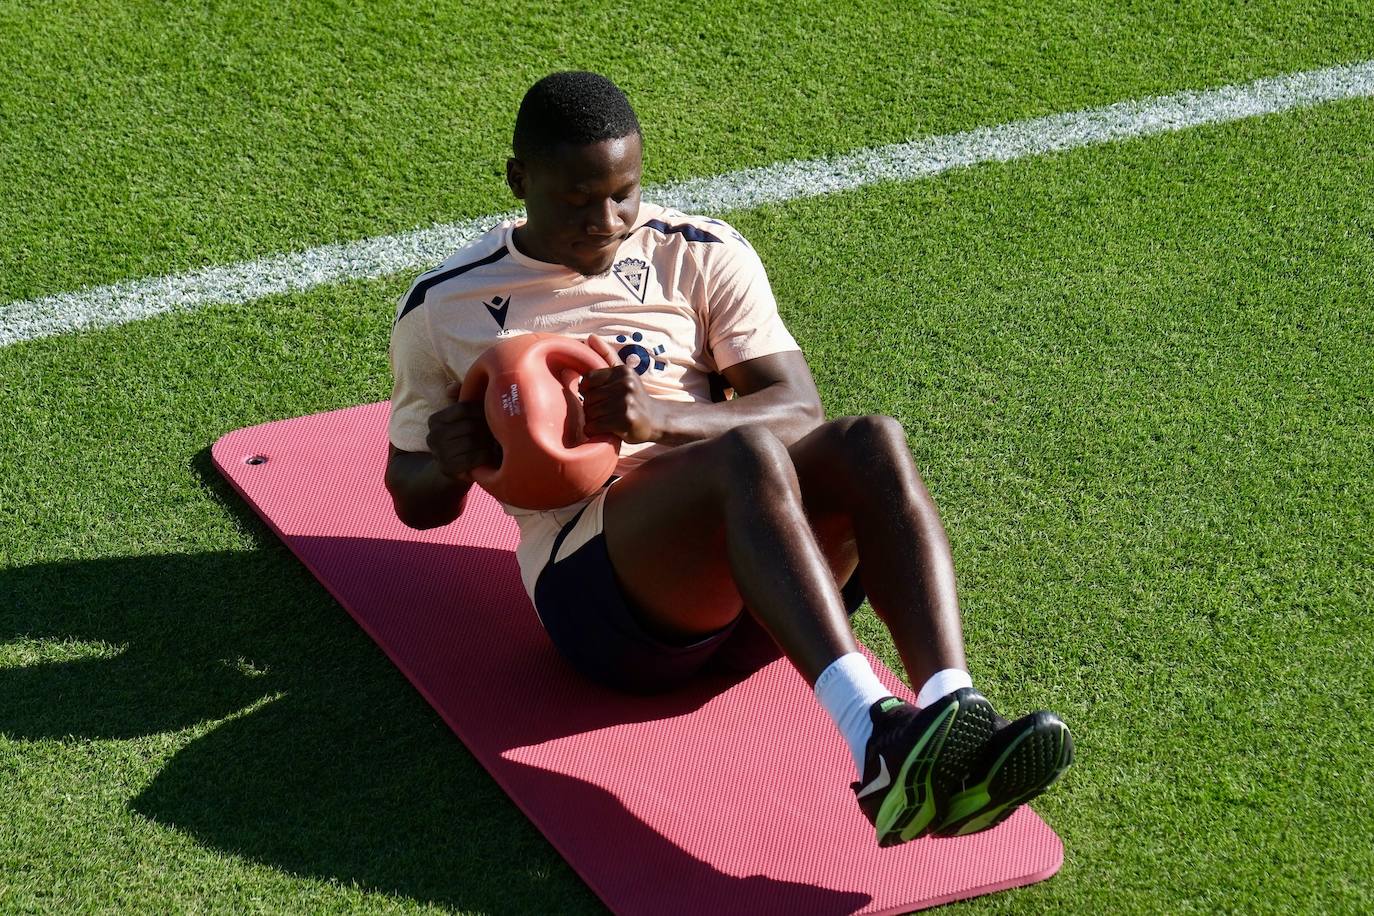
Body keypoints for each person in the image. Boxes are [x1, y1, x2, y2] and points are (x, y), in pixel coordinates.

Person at [385, 71, 1072, 846]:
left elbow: (797, 407)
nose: (604, 221)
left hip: (758, 599)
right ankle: (877, 741)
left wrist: (664, 417)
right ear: (519, 180)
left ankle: (955, 720)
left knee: (868, 439)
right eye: (577, 199)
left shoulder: (700, 251)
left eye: (623, 194)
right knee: (742, 454)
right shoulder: (445, 304)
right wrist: (448, 463)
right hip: (601, 606)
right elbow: (414, 499)